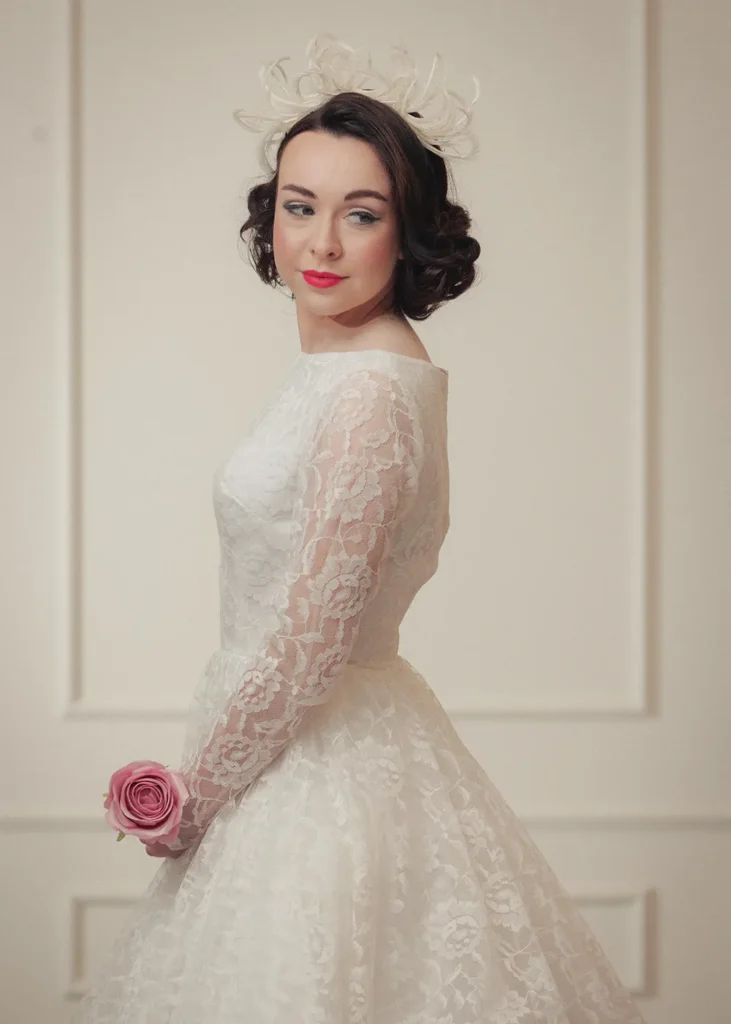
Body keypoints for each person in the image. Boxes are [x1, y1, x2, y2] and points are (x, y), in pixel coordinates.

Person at [76, 35, 647, 1024]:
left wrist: (192, 791)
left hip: (316, 773)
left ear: (407, 230)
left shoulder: (369, 394)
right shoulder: (347, 374)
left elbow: (310, 641)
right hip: (298, 752)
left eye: (360, 214)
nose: (320, 245)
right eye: (299, 207)